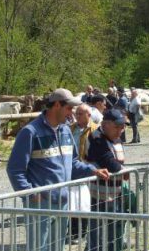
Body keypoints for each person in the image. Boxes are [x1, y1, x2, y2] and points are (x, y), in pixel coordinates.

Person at [6, 89, 109, 251]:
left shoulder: (66, 131)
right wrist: (30, 194)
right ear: (56, 105)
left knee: (57, 247)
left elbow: (73, 163)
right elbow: (14, 169)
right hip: (39, 205)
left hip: (62, 202)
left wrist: (92, 171)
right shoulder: (30, 132)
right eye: (68, 108)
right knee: (39, 248)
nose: (72, 113)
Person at [84, 109, 127, 251]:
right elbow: (110, 163)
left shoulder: (115, 136)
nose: (121, 130)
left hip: (115, 191)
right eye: (118, 126)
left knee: (114, 228)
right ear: (105, 124)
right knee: (96, 229)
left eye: (123, 126)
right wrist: (124, 171)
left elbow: (118, 163)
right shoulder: (97, 138)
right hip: (98, 193)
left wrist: (122, 170)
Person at [68, 104, 99, 244]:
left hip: (87, 168)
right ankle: (73, 231)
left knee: (85, 201)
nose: (78, 116)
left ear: (89, 115)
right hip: (72, 169)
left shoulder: (95, 130)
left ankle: (81, 232)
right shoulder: (71, 128)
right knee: (73, 200)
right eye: (77, 113)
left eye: (81, 113)